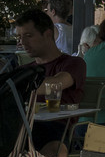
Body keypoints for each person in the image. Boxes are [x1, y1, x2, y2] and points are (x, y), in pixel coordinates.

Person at [16, 9, 86, 145]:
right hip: (22, 128)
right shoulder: (23, 70)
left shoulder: (73, 63)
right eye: (19, 37)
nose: (22, 42)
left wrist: (16, 85)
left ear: (48, 34)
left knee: (55, 151)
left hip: (56, 130)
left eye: (28, 35)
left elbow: (57, 82)